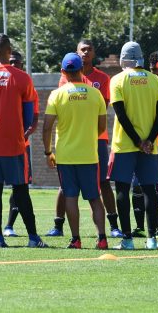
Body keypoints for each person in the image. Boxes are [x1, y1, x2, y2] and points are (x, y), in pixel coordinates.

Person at [0, 33, 46, 249]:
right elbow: (29, 114)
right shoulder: (22, 78)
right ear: (10, 52)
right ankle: (33, 238)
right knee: (20, 189)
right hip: (15, 141)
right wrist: (21, 133)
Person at [46, 39, 120, 238]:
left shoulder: (102, 78)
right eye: (82, 50)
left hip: (95, 139)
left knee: (103, 182)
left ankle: (113, 226)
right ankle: (58, 225)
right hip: (83, 141)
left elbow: (100, 110)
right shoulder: (68, 82)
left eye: (89, 49)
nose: (86, 52)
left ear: (94, 53)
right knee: (67, 188)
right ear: (77, 54)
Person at [107, 41, 158, 250]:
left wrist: (136, 140)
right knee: (149, 190)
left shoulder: (117, 80)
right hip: (150, 146)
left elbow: (121, 115)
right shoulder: (155, 81)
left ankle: (127, 239)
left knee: (123, 189)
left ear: (124, 59)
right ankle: (152, 239)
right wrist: (148, 140)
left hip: (125, 144)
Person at [2, 50, 39, 238]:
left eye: (17, 62)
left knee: (20, 186)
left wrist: (27, 132)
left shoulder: (26, 84)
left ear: (23, 65)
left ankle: (9, 226)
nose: (14, 65)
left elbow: (34, 116)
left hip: (19, 145)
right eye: (11, 62)